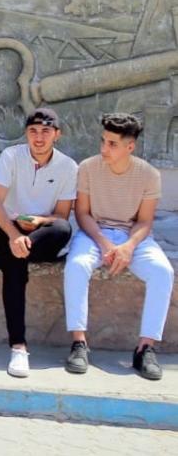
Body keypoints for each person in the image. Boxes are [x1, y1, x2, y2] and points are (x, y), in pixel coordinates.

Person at [0, 108, 77, 377]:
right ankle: (19, 348)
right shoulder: (11, 156)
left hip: (42, 234)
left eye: (46, 131)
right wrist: (15, 235)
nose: (39, 137)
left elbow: (61, 215)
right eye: (33, 131)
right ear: (26, 134)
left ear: (57, 135)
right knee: (16, 263)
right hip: (4, 230)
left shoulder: (69, 166)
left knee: (62, 229)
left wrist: (38, 221)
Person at [63, 113, 172, 380]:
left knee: (163, 272)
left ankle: (145, 349)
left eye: (112, 144)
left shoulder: (149, 175)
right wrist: (104, 243)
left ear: (130, 146)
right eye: (103, 141)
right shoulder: (88, 167)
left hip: (133, 236)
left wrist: (128, 247)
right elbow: (82, 214)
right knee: (76, 265)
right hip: (94, 233)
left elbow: (145, 221)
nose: (104, 148)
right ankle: (79, 343)